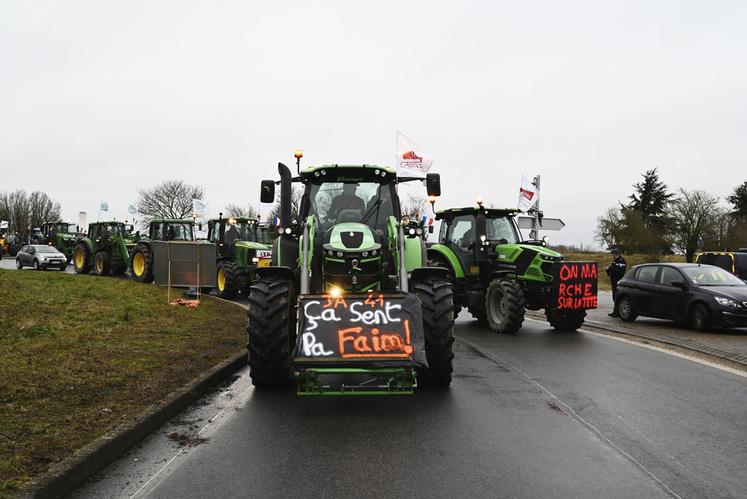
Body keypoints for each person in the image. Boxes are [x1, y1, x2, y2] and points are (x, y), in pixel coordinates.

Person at [606, 248, 627, 317]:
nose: (613, 255)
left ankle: (617, 312)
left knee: (616, 297)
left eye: (614, 254)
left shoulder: (622, 261)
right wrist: (608, 270)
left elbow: (619, 272)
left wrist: (610, 269)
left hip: (618, 281)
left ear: (617, 254)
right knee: (614, 296)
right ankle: (615, 311)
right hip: (613, 281)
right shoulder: (614, 261)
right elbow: (611, 270)